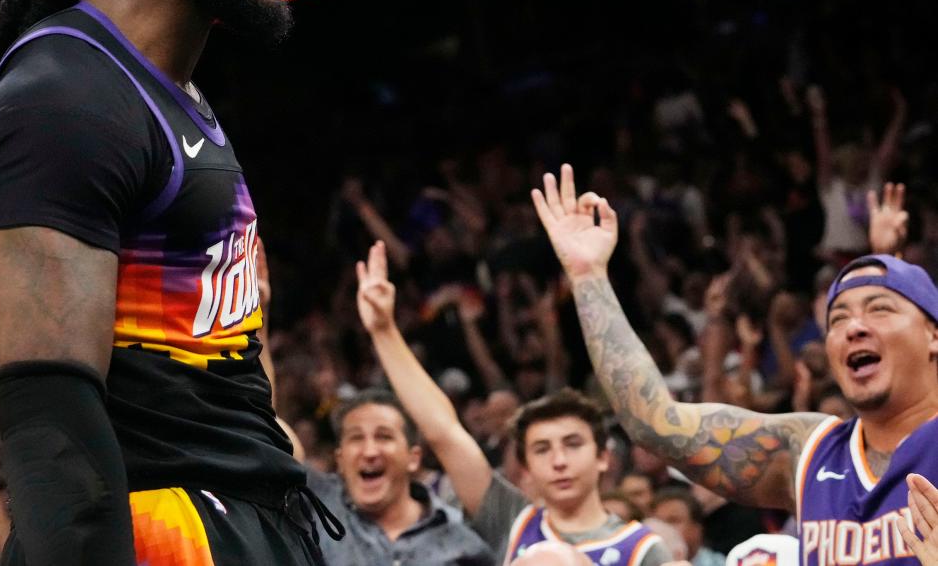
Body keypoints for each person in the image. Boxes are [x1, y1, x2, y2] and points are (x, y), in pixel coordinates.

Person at [0, 0, 341, 564]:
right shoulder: (62, 97)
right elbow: (51, 421)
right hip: (161, 538)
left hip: (240, 521)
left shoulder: (170, 92)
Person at [529, 165, 938, 566]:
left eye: (879, 309)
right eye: (838, 319)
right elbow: (654, 421)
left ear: (933, 334)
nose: (854, 328)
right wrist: (588, 277)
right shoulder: (808, 451)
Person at [355, 242, 667, 566]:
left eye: (572, 444)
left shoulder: (642, 549)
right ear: (526, 469)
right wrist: (384, 331)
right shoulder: (512, 522)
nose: (559, 461)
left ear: (603, 457)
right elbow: (444, 433)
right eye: (542, 449)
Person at [305, 388, 494, 565]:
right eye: (356, 438)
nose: (370, 451)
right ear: (340, 459)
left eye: (384, 436)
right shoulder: (316, 513)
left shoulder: (460, 541)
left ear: (413, 458)